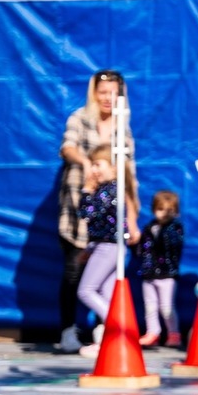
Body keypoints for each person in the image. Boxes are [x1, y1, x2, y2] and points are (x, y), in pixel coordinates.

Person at [58, 70, 135, 351]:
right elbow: (67, 148)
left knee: (106, 280)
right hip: (80, 210)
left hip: (110, 223)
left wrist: (132, 220)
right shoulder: (80, 118)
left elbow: (129, 178)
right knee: (73, 273)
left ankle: (107, 331)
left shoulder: (123, 128)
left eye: (113, 93)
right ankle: (68, 329)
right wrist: (87, 164)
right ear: (94, 94)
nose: (107, 98)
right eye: (102, 92)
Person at [75, 145, 140, 358]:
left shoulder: (107, 190)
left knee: (86, 290)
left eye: (97, 164)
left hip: (108, 247)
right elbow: (102, 224)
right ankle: (110, 341)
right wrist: (91, 247)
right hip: (110, 246)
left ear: (114, 168)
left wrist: (86, 190)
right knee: (107, 294)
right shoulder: (113, 189)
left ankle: (117, 327)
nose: (93, 170)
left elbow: (87, 214)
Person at [135, 190, 184, 348]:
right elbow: (142, 248)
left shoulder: (175, 228)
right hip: (149, 274)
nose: (164, 213)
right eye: (161, 209)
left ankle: (174, 333)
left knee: (166, 307)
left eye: (170, 210)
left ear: (176, 212)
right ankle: (153, 332)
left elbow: (173, 244)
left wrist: (165, 229)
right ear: (154, 209)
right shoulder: (149, 228)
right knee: (150, 306)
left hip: (167, 275)